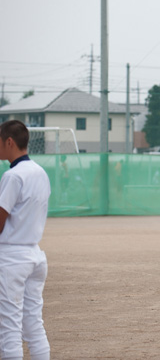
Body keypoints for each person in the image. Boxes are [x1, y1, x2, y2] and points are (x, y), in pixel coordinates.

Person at [0, 120, 51, 360]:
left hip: (11, 258)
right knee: (34, 327)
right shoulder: (40, 172)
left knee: (9, 330)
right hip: (35, 255)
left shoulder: (13, 175)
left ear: (9, 142)